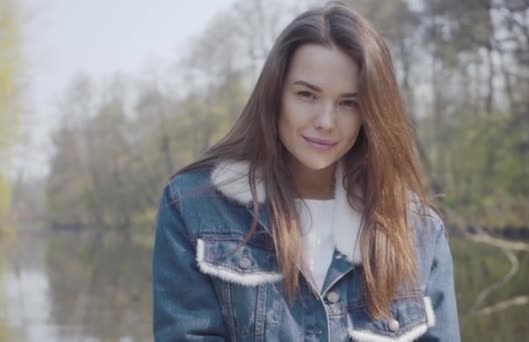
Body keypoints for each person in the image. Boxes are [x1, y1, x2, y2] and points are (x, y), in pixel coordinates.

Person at [153, 2, 460, 341]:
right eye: (307, 95)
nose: (326, 122)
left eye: (348, 103)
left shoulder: (418, 230)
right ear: (276, 95)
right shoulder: (196, 207)